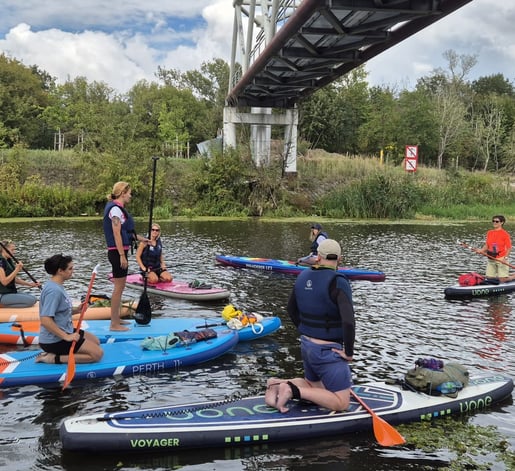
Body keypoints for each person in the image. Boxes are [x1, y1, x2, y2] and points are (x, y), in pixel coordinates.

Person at [266, 239, 355, 413]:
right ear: (340, 259)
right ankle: (292, 390)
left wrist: (307, 331)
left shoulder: (302, 276)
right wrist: (349, 353)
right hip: (328, 351)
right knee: (342, 403)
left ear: (317, 258)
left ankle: (276, 384)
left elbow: (291, 309)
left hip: (307, 345)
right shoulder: (339, 281)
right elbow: (348, 321)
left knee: (315, 388)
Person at [36, 254, 103, 365]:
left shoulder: (57, 286)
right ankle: (52, 358)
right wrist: (66, 337)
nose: (73, 271)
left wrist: (77, 310)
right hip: (54, 340)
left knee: (96, 342)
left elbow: (60, 312)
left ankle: (58, 353)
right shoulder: (54, 291)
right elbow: (45, 320)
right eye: (70, 269)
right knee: (97, 354)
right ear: (60, 271)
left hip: (65, 330)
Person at [103, 181, 148, 331]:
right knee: (118, 288)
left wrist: (142, 239)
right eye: (129, 193)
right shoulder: (115, 210)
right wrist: (122, 255)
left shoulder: (118, 209)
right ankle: (113, 323)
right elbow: (116, 233)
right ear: (123, 193)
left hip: (119, 252)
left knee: (120, 288)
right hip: (117, 253)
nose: (131, 195)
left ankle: (117, 319)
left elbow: (126, 232)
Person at [474, 215, 515, 283]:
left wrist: (506, 258)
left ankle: (513, 277)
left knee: (502, 280)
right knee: (489, 279)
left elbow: (509, 247)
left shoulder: (505, 234)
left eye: (496, 221)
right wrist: (481, 250)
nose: (494, 223)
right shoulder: (489, 232)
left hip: (501, 258)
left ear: (502, 222)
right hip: (491, 258)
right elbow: (487, 245)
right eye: (493, 221)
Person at [0, 240, 40, 307]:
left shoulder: (8, 260)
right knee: (30, 301)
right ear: (4, 249)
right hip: (2, 294)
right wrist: (17, 270)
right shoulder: (0, 261)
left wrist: (29, 284)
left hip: (9, 292)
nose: (14, 252)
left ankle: (6, 303)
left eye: (14, 250)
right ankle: (3, 305)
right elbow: (4, 282)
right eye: (12, 250)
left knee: (34, 299)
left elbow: (14, 279)